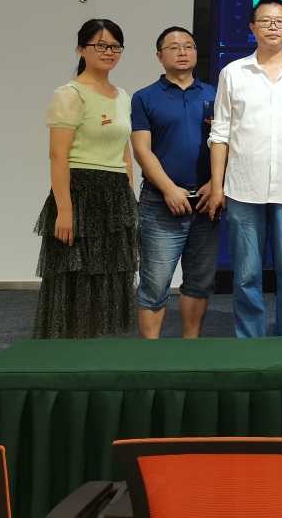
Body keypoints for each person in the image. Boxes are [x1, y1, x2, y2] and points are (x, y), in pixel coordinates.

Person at [206, 0, 282, 338]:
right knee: (246, 276)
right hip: (244, 189)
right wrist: (217, 186)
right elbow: (220, 134)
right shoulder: (233, 73)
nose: (273, 26)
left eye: (279, 21)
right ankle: (250, 346)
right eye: (265, 20)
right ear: (252, 27)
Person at [34, 18, 137, 339]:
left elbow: (124, 151)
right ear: (81, 49)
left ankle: (98, 350)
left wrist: (129, 199)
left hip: (114, 196)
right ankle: (69, 354)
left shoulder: (122, 96)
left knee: (109, 279)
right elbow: (58, 156)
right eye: (100, 45)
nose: (109, 52)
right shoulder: (70, 94)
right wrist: (65, 211)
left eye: (115, 46)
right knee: (76, 281)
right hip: (79, 193)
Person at [130, 27, 218, 339]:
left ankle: (189, 348)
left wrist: (216, 183)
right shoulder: (144, 97)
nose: (182, 52)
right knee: (155, 284)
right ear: (159, 55)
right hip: (161, 203)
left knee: (199, 282)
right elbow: (141, 150)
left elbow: (230, 144)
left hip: (207, 203)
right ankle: (150, 354)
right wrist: (169, 189)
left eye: (189, 46)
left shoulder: (215, 95)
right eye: (174, 47)